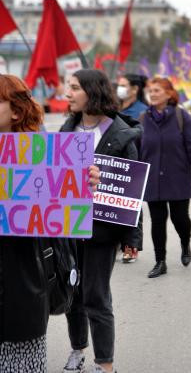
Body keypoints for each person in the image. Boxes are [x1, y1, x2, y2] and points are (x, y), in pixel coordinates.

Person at [0, 74, 100, 373]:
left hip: (19, 287)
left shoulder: (40, 158)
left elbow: (59, 221)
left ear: (15, 112)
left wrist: (82, 186)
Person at [61, 69, 142, 373]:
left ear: (92, 92)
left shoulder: (121, 135)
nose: (67, 94)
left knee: (96, 296)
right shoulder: (66, 132)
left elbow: (132, 187)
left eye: (74, 88)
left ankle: (104, 363)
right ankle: (77, 350)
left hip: (102, 230)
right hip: (68, 227)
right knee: (72, 294)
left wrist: (132, 239)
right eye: (68, 88)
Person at [140, 77, 191, 278]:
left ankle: (185, 242)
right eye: (150, 90)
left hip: (178, 175)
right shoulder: (143, 119)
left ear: (169, 94)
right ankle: (160, 262)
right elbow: (136, 148)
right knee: (157, 220)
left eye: (157, 90)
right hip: (152, 178)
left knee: (180, 219)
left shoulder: (182, 117)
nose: (152, 94)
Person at [115, 74, 149, 263]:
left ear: (135, 89)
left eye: (123, 85)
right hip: (114, 162)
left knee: (132, 205)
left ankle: (131, 246)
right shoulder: (115, 108)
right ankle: (118, 242)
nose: (119, 88)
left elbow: (145, 140)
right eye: (118, 85)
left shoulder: (142, 111)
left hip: (134, 161)